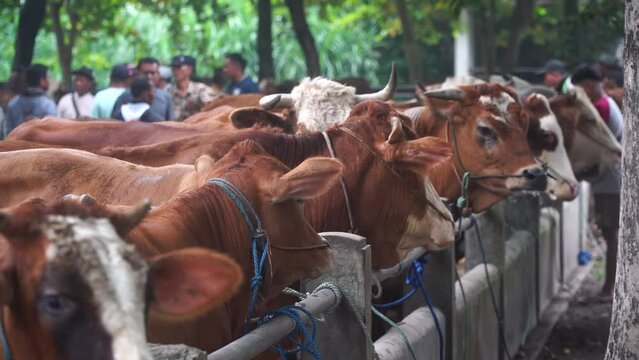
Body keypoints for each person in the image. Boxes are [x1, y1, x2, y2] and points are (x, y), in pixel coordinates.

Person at [571, 65, 623, 299]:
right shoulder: (607, 103)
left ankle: (609, 288)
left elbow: (588, 141)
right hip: (607, 178)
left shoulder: (600, 109)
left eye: (580, 90)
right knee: (609, 232)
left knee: (610, 233)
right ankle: (610, 286)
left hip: (609, 181)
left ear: (589, 87)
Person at [4, 64, 56, 135]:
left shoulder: (14, 103)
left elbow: (8, 131)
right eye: (48, 77)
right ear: (42, 80)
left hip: (15, 144)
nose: (49, 80)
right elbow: (53, 132)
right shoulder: (47, 104)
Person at [168, 55, 216, 121]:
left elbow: (214, 109)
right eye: (173, 68)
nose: (175, 70)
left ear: (190, 69)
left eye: (179, 67)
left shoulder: (201, 89)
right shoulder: (168, 93)